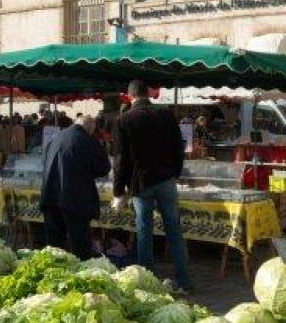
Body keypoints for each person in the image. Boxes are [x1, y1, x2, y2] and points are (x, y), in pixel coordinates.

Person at [112, 79, 193, 293]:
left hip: (141, 183)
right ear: (148, 93)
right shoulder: (165, 114)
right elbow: (178, 147)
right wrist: (175, 172)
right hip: (166, 179)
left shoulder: (124, 120)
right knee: (174, 231)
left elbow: (121, 160)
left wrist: (118, 191)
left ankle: (147, 282)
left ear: (130, 97)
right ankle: (184, 281)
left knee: (144, 232)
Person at [40, 114, 112, 259]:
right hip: (75, 200)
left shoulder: (55, 137)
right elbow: (104, 167)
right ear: (90, 129)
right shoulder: (86, 140)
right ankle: (79, 275)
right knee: (79, 247)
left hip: (50, 197)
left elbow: (44, 162)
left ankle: (53, 275)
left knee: (54, 247)